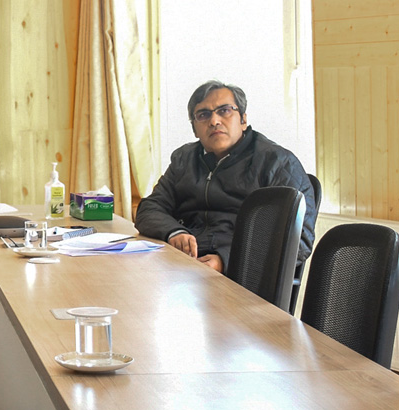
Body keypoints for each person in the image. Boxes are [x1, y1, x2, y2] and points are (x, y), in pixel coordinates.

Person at [135, 80, 318, 273]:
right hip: (183, 266)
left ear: (243, 120)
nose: (214, 121)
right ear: (195, 129)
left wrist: (226, 261)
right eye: (203, 115)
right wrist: (174, 232)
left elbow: (299, 241)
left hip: (241, 278)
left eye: (225, 110)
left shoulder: (278, 163)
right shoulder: (184, 159)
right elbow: (150, 209)